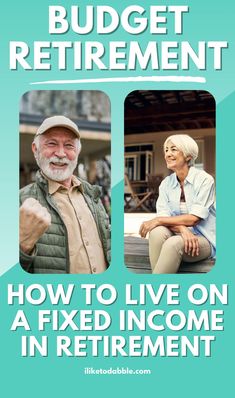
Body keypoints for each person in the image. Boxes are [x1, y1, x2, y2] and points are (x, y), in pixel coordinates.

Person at [20, 115, 110, 274]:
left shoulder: (93, 196)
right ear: (36, 149)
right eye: (52, 143)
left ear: (78, 151)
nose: (61, 153)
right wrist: (22, 246)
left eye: (69, 145)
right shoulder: (20, 201)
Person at [139, 134, 215, 274]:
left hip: (204, 238)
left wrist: (158, 219)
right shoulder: (166, 184)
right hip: (178, 233)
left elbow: (194, 218)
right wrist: (182, 229)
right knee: (156, 232)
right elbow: (164, 217)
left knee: (172, 244)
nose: (168, 154)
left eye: (173, 149)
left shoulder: (205, 180)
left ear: (188, 156)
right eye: (166, 150)